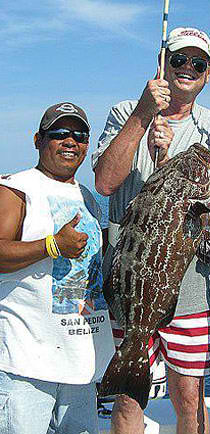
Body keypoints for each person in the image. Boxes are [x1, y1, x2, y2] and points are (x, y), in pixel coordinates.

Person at [93, 27, 210, 434]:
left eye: (198, 63)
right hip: (132, 272)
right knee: (127, 396)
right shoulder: (125, 111)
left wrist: (176, 169)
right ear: (163, 63)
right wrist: (141, 115)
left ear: (208, 74)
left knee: (190, 397)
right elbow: (104, 183)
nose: (187, 69)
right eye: (179, 60)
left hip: (189, 279)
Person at [0, 102, 114, 434]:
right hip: (27, 365)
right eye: (60, 133)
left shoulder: (88, 197)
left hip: (82, 366)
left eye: (79, 135)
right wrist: (51, 246)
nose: (70, 141)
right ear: (38, 140)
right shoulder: (15, 189)